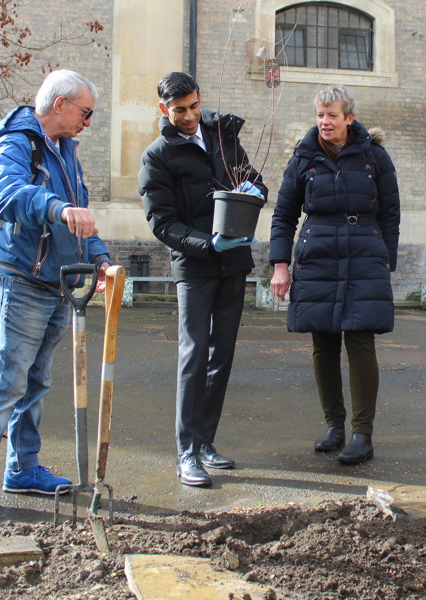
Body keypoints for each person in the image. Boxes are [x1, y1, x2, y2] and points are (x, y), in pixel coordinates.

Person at [0, 70, 111, 520]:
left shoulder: (66, 151)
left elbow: (80, 213)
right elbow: (5, 196)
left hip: (59, 283)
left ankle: (22, 468)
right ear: (60, 104)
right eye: (86, 112)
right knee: (7, 382)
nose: (89, 121)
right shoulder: (16, 141)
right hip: (23, 280)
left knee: (37, 383)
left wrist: (98, 256)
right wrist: (57, 208)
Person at [139, 72, 267, 487]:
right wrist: (206, 244)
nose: (190, 115)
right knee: (194, 355)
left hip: (233, 263)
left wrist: (255, 190)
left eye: (194, 106)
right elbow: (162, 223)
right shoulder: (157, 156)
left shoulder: (222, 136)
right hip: (195, 267)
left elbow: (253, 179)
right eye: (180, 110)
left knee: (221, 354)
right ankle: (186, 452)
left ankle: (206, 442)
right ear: (164, 109)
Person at [269, 85, 400, 466]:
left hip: (364, 253)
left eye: (332, 115)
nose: (325, 122)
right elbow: (284, 214)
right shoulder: (304, 157)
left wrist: (386, 257)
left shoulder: (375, 156)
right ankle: (334, 426)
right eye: (320, 115)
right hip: (318, 253)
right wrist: (280, 264)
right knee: (323, 342)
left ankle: (363, 433)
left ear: (349, 119)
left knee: (360, 340)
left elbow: (391, 211)